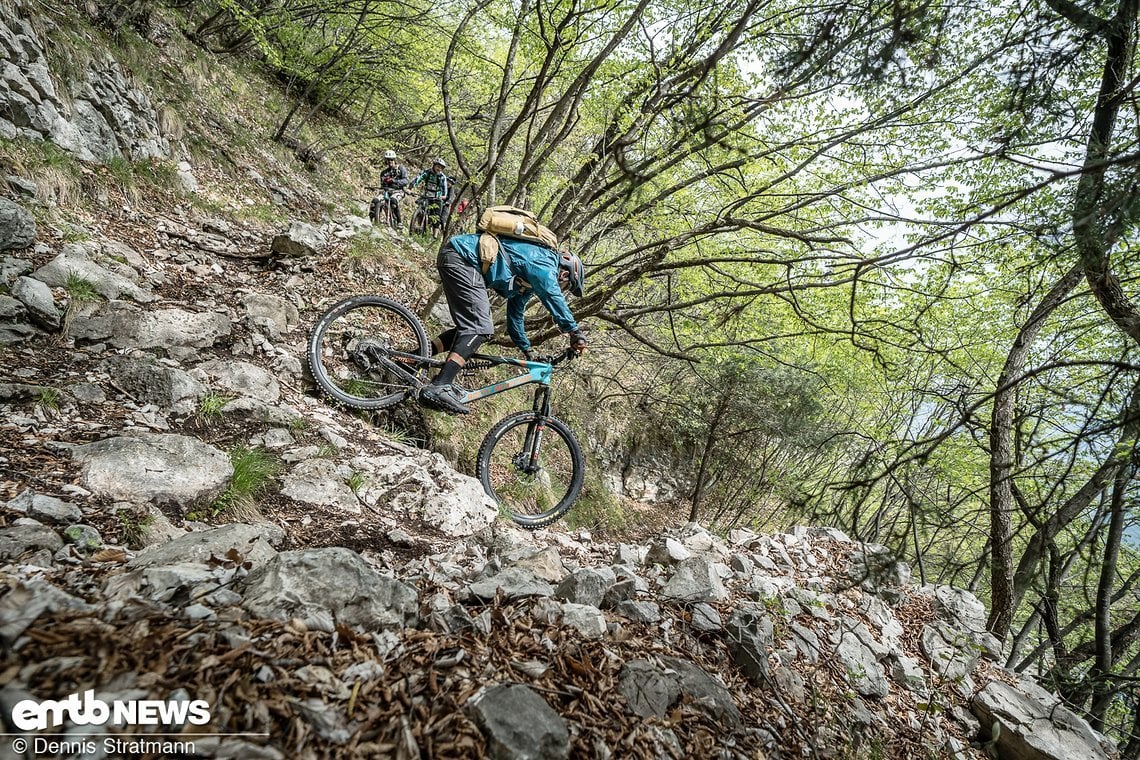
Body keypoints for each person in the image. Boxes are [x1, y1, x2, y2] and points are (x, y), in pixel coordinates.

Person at [418, 233, 588, 415]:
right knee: (480, 328)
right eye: (566, 286)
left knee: (470, 330)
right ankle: (441, 385)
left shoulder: (526, 282)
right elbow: (552, 295)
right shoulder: (544, 261)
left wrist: (527, 350)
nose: (562, 290)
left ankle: (411, 359)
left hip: (459, 256)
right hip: (462, 257)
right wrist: (574, 331)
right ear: (564, 273)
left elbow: (515, 316)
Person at [409, 158, 450, 235]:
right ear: (434, 165)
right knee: (420, 205)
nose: (439, 169)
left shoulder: (442, 177)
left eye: (441, 168)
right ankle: (417, 225)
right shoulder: (427, 172)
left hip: (437, 198)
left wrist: (444, 196)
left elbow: (445, 189)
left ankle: (434, 235)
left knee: (436, 217)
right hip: (426, 195)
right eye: (438, 166)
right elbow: (418, 179)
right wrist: (410, 188)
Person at [370, 149, 408, 226]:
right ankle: (372, 220)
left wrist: (394, 181)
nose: (389, 161)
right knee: (375, 201)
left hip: (398, 191)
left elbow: (406, 180)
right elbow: (382, 185)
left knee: (393, 201)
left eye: (391, 160)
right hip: (386, 191)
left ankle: (399, 222)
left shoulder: (401, 169)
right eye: (387, 160)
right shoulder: (384, 173)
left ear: (394, 160)